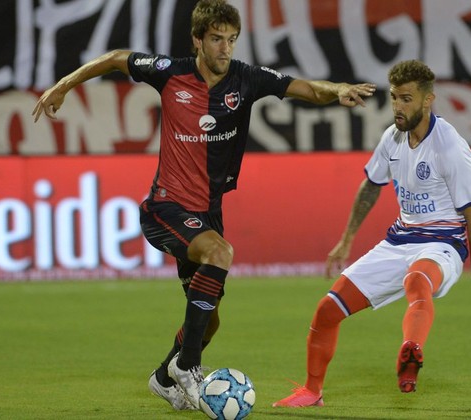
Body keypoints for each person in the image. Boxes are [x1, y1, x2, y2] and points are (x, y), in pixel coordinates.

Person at [32, 0, 375, 411]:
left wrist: (338, 90)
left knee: (209, 319)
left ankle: (164, 376)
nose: (225, 48)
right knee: (220, 253)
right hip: (164, 209)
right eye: (216, 39)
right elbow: (116, 58)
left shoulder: (246, 79)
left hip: (207, 214)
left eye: (231, 39)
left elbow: (306, 89)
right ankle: (188, 366)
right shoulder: (169, 72)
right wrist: (63, 84)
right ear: (197, 40)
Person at [272, 59, 471, 408]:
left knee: (417, 280)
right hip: (399, 240)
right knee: (327, 310)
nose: (397, 106)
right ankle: (311, 391)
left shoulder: (450, 147)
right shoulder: (392, 138)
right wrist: (347, 239)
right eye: (394, 97)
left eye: (406, 99)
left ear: (428, 100)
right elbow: (371, 186)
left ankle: (411, 351)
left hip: (443, 244)